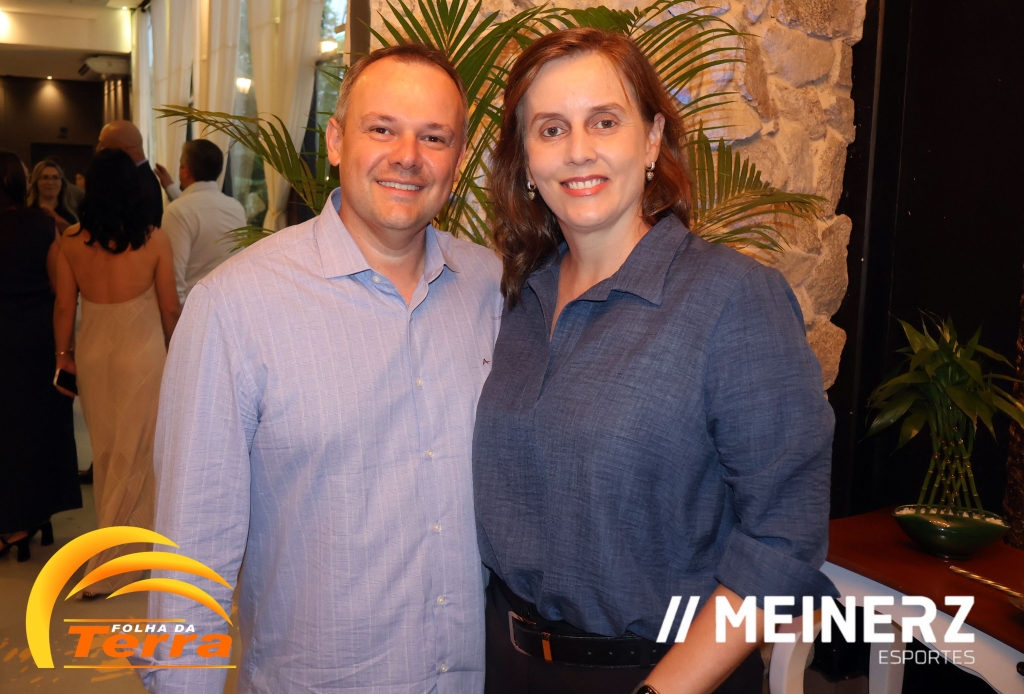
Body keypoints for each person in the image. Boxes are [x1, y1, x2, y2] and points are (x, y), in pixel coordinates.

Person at [474, 28, 837, 694]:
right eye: (551, 130)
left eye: (604, 122)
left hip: (664, 675)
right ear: (525, 161)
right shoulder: (516, 301)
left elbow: (783, 539)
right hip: (509, 665)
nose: (578, 150)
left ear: (650, 140)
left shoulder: (732, 299)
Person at [136, 44, 502, 693]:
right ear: (335, 140)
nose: (407, 156)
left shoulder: (491, 287)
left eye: (434, 137)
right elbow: (191, 561)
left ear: (459, 159)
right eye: (381, 129)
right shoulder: (234, 307)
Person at [53, 148, 180, 595]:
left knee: (107, 453)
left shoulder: (70, 241)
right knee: (140, 451)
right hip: (143, 354)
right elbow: (169, 307)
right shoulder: (155, 240)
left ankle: (114, 548)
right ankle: (121, 557)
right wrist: (180, 351)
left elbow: (64, 305)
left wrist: (62, 355)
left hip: (94, 356)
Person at [0, 152, 81, 562]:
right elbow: (60, 287)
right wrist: (65, 350)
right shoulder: (39, 224)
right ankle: (30, 516)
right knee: (31, 428)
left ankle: (12, 521)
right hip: (33, 338)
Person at [157, 139, 245, 304]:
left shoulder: (178, 211)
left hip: (195, 311)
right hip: (231, 305)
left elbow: (174, 281)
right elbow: (199, 212)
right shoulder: (236, 208)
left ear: (185, 171)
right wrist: (170, 188)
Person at [97, 120, 164, 228]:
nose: (98, 149)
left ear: (122, 151)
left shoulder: (137, 183)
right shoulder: (140, 176)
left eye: (103, 145)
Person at [27, 159, 77, 232]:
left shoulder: (71, 215)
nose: (50, 182)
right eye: (45, 177)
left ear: (61, 182)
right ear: (36, 182)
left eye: (55, 177)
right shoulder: (27, 213)